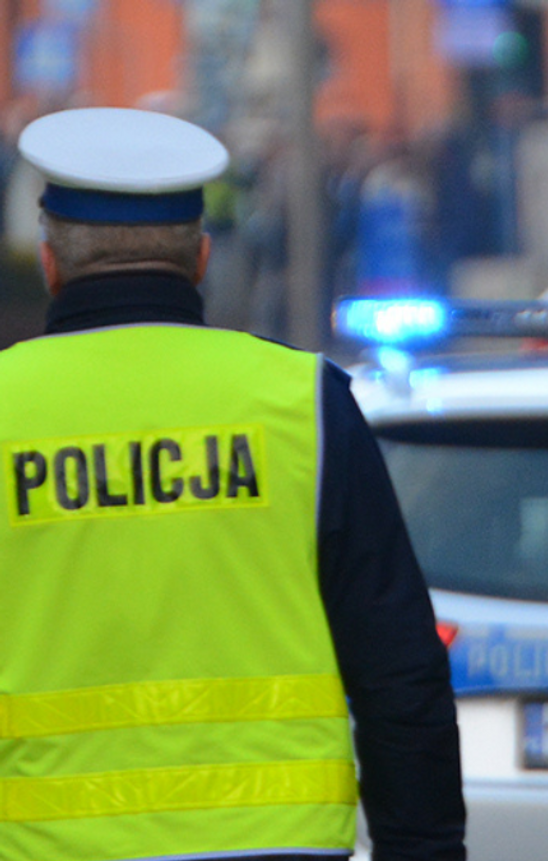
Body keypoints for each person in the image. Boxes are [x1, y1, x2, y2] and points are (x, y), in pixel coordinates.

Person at [0, 108, 465, 861]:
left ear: (50, 261)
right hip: (276, 842)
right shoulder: (304, 403)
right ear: (203, 259)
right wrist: (423, 848)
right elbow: (398, 667)